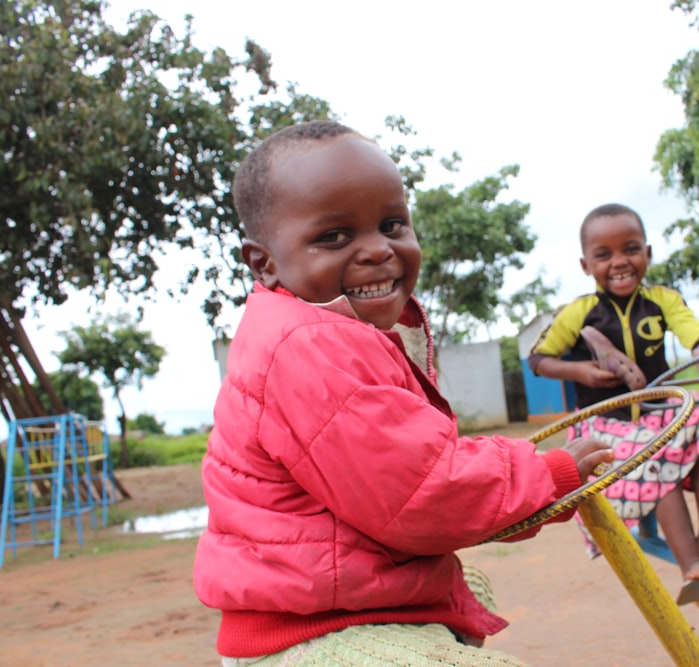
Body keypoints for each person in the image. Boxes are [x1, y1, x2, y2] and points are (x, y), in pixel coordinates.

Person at [192, 120, 614, 667]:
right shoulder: (309, 346)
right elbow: (422, 493)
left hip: (333, 592)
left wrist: (526, 473)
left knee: (468, 589)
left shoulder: (332, 331)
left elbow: (415, 458)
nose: (377, 251)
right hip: (311, 630)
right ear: (264, 262)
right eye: (334, 237)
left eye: (392, 224)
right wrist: (544, 474)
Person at [528, 203, 699, 602]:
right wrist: (582, 372)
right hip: (602, 424)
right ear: (586, 265)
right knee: (652, 453)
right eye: (604, 255)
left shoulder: (663, 302)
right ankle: (690, 560)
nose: (620, 262)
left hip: (658, 412)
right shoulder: (579, 312)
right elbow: (539, 360)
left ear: (648, 253)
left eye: (631, 249)